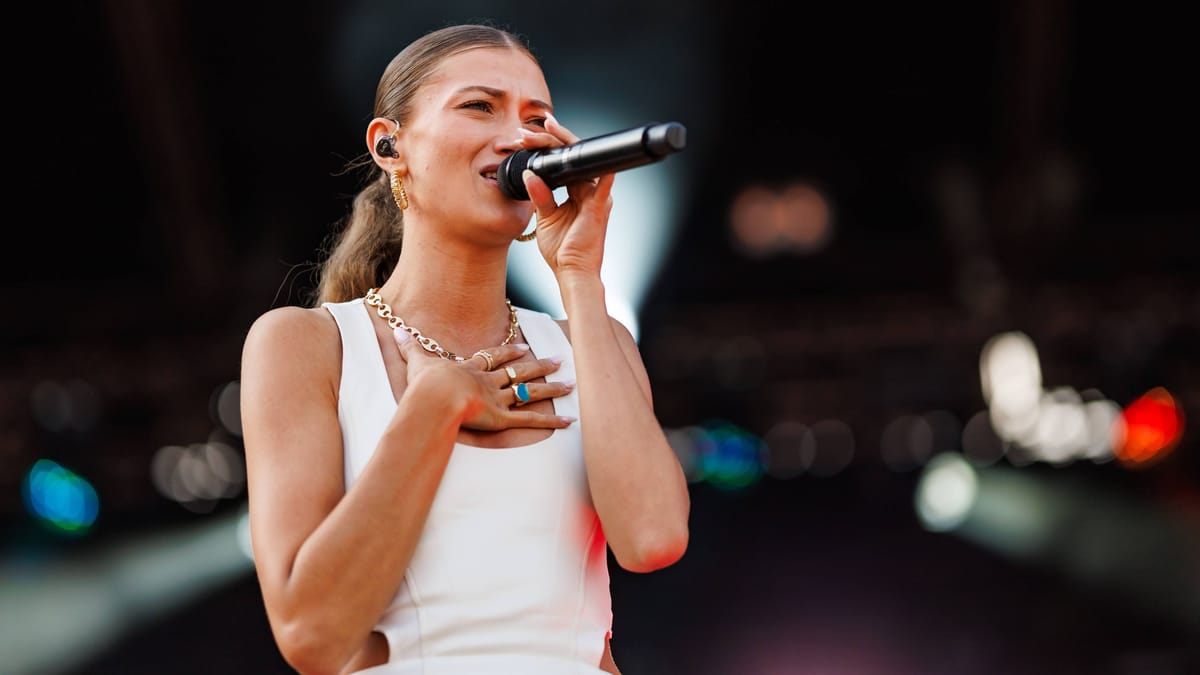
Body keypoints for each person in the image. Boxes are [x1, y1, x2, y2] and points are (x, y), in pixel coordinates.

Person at [238, 22, 691, 675]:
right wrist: (437, 404)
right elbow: (312, 633)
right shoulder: (307, 345)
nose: (518, 137)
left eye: (537, 118)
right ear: (390, 145)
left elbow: (653, 537)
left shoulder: (591, 340)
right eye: (480, 106)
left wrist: (580, 278)